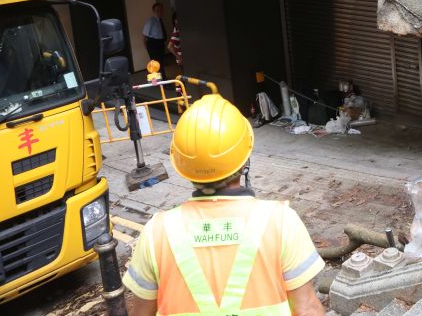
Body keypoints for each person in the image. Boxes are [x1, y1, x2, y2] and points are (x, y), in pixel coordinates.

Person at [122, 93, 326, 315]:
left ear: (182, 165)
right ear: (244, 160)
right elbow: (306, 309)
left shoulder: (156, 233)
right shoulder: (281, 222)